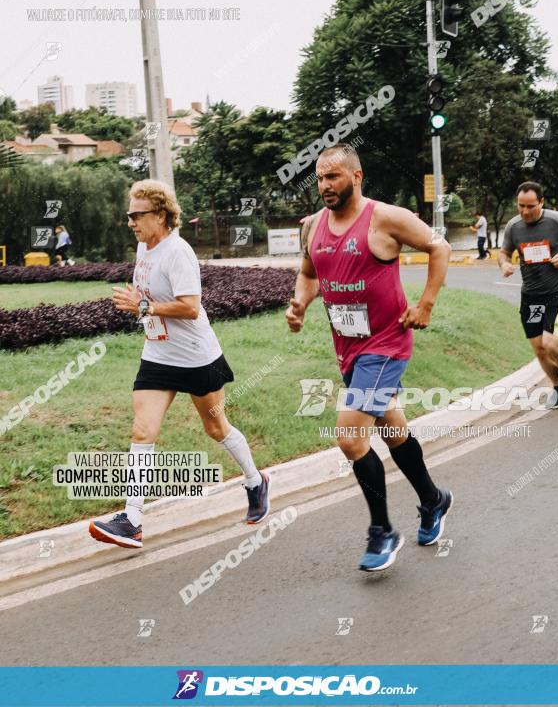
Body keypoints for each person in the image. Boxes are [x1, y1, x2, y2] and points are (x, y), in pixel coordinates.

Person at [286, 144, 453, 572]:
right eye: (320, 178)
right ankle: (434, 500)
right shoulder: (312, 228)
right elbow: (308, 275)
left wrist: (426, 304)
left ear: (356, 177)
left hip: (386, 345)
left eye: (334, 177)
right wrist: (300, 304)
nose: (325, 185)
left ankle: (382, 532)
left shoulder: (385, 218)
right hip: (349, 349)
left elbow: (441, 248)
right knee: (394, 431)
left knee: (350, 436)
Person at [89, 180, 269, 549]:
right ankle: (132, 519)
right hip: (158, 355)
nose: (130, 222)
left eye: (136, 215)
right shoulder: (144, 247)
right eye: (129, 214)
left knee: (216, 428)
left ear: (160, 215)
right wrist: (142, 302)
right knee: (142, 431)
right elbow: (150, 297)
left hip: (196, 357)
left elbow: (189, 306)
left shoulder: (179, 252)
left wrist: (145, 306)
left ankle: (255, 481)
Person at [498, 181, 558, 409]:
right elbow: (504, 252)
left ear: (542, 202)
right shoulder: (513, 226)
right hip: (530, 296)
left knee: (551, 344)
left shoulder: (557, 220)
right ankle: (557, 388)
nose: (525, 212)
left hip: (557, 291)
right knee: (539, 348)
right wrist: (504, 264)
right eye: (521, 206)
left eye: (530, 206)